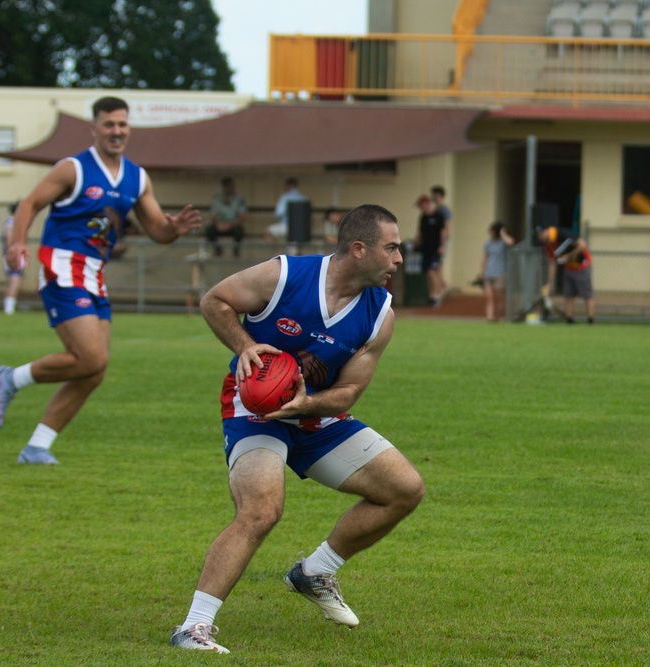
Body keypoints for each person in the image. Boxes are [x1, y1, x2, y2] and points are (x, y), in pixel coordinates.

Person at [170, 204, 425, 654]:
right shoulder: (284, 275)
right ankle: (193, 627)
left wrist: (307, 404)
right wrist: (247, 347)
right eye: (392, 248)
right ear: (359, 249)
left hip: (315, 413)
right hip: (254, 411)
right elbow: (215, 301)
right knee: (262, 510)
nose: (399, 259)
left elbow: (347, 393)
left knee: (405, 488)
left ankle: (313, 571)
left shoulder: (380, 313)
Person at [0, 96, 202, 464]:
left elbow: (157, 231)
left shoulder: (137, 177)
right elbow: (29, 204)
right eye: (109, 125)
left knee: (95, 369)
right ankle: (10, 379)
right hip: (63, 266)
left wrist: (174, 229)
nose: (117, 131)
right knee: (90, 356)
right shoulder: (73, 169)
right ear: (95, 128)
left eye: (122, 124)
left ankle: (37, 446)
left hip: (94, 275)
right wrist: (17, 241)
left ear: (128, 128)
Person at [536, 225, 595, 324]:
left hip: (582, 265)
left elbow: (582, 245)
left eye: (542, 233)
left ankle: (590, 320)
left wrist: (570, 256)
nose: (541, 237)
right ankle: (569, 319)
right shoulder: (549, 245)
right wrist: (549, 283)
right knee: (568, 294)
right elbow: (552, 262)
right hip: (569, 268)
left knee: (587, 294)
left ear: (547, 231)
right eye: (539, 235)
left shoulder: (561, 234)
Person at [474, 221, 515, 322]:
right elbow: (485, 258)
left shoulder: (502, 243)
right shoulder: (488, 243)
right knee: (489, 296)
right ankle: (490, 316)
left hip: (500, 272)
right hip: (489, 272)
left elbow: (511, 242)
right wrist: (482, 272)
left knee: (498, 296)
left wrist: (503, 234)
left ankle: (498, 315)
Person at [413, 195, 449, 307]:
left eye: (422, 206)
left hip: (436, 249)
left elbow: (443, 232)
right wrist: (415, 242)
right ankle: (432, 295)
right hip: (425, 249)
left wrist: (442, 246)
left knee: (433, 271)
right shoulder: (423, 217)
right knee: (428, 273)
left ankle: (437, 295)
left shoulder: (438, 216)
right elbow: (420, 233)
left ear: (427, 204)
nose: (421, 209)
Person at [205, 177, 247, 257]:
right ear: (223, 187)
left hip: (233, 225)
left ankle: (236, 251)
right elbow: (213, 215)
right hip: (219, 225)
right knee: (209, 230)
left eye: (231, 186)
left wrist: (231, 225)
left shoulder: (239, 199)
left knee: (240, 231)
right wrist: (218, 224)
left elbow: (242, 217)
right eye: (227, 186)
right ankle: (217, 249)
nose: (230, 188)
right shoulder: (217, 199)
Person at [265, 176, 307, 244]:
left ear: (288, 185)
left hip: (286, 227)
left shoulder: (285, 197)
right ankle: (292, 252)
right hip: (302, 230)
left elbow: (278, 214)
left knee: (267, 231)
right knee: (293, 249)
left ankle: (278, 253)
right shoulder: (303, 198)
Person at [1, 202, 23, 314]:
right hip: (12, 254)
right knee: (15, 279)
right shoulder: (11, 223)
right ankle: (9, 307)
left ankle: (8, 305)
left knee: (12, 279)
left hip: (11, 254)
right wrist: (12, 251)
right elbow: (9, 238)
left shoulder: (13, 222)